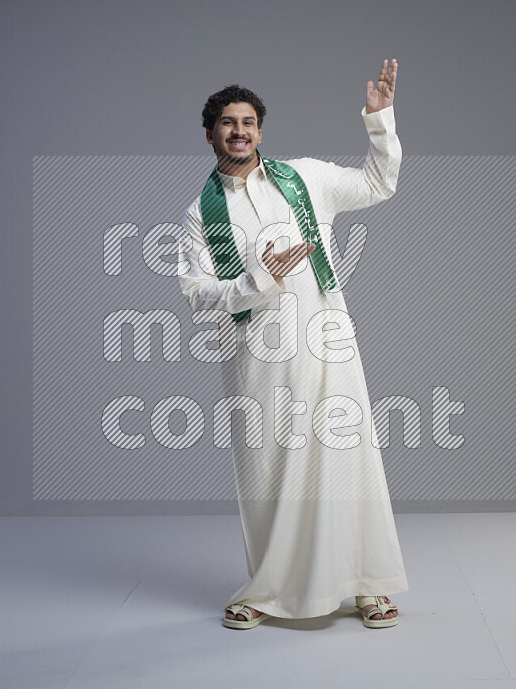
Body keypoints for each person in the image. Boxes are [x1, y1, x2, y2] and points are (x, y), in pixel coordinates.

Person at [178, 59, 408, 629]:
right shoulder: (198, 215)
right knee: (268, 470)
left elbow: (380, 183)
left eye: (249, 121)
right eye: (228, 123)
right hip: (257, 357)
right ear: (210, 134)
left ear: (261, 129)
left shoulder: (305, 177)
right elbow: (198, 295)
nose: (239, 131)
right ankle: (269, 588)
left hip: (328, 342)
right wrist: (259, 280)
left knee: (348, 461)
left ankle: (367, 584)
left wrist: (380, 122)